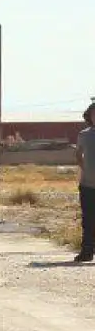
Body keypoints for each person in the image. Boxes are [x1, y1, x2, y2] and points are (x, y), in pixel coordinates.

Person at [75, 103, 95, 263]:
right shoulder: (84, 135)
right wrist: (86, 170)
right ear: (89, 116)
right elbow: (78, 154)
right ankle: (87, 251)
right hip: (87, 185)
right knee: (88, 219)